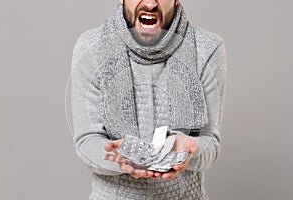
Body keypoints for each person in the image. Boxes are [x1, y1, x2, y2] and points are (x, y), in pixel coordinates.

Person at [71, 0, 227, 199]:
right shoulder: (91, 47)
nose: (150, 3)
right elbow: (86, 141)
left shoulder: (208, 48)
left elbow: (211, 143)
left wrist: (190, 150)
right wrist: (119, 160)